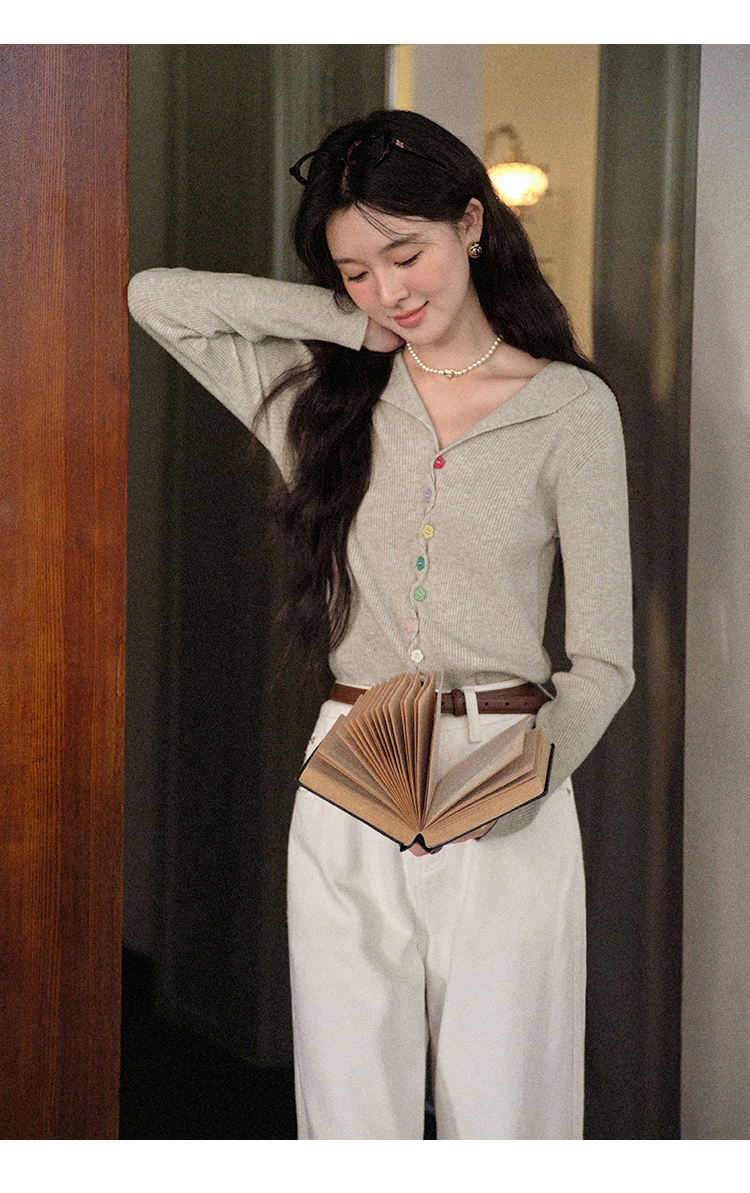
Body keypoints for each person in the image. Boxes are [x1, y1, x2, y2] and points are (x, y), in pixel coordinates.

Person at [128, 107, 634, 1140]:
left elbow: (605, 660)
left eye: (406, 255)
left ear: (472, 224)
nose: (390, 290)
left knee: (509, 1104)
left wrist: (525, 778)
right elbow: (155, 299)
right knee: (351, 1102)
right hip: (351, 769)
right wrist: (342, 321)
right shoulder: (319, 401)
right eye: (356, 270)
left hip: (507, 769)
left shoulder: (571, 411)